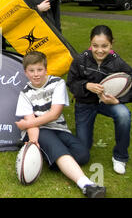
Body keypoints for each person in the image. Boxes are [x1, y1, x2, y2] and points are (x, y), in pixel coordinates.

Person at [15, 51, 106, 198]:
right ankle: (87, 185)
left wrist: (27, 123)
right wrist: (33, 141)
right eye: (31, 71)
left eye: (39, 70)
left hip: (59, 127)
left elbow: (55, 114)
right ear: (25, 72)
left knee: (83, 155)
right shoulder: (25, 93)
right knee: (57, 148)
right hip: (39, 130)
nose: (36, 74)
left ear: (46, 69)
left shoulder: (57, 83)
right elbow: (32, 124)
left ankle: (52, 157)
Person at [67, 25, 132, 174]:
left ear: (112, 43)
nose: (99, 50)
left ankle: (120, 157)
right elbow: (71, 83)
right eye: (95, 46)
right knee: (83, 149)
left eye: (104, 46)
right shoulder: (81, 60)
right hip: (85, 104)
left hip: (107, 104)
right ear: (90, 43)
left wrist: (117, 101)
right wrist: (86, 85)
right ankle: (81, 137)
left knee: (124, 114)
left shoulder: (118, 63)